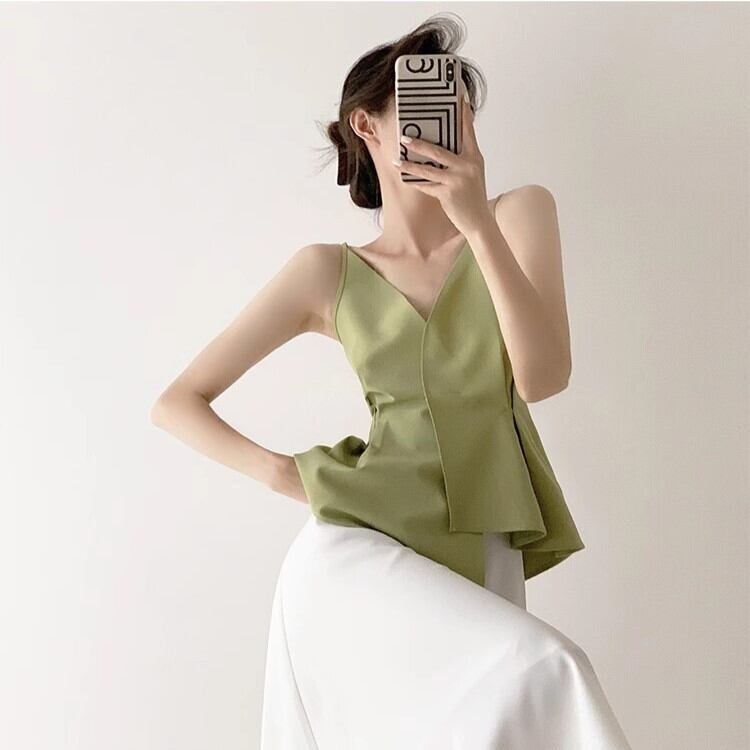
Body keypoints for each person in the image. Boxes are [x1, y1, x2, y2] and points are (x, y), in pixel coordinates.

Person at [151, 14, 633, 750]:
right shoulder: (327, 271)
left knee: (520, 700)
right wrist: (287, 475)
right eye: (421, 99)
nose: (448, 119)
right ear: (365, 125)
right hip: (361, 547)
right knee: (550, 672)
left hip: (487, 530)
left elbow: (542, 378)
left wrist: (475, 222)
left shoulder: (518, 214)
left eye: (458, 105)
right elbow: (177, 402)